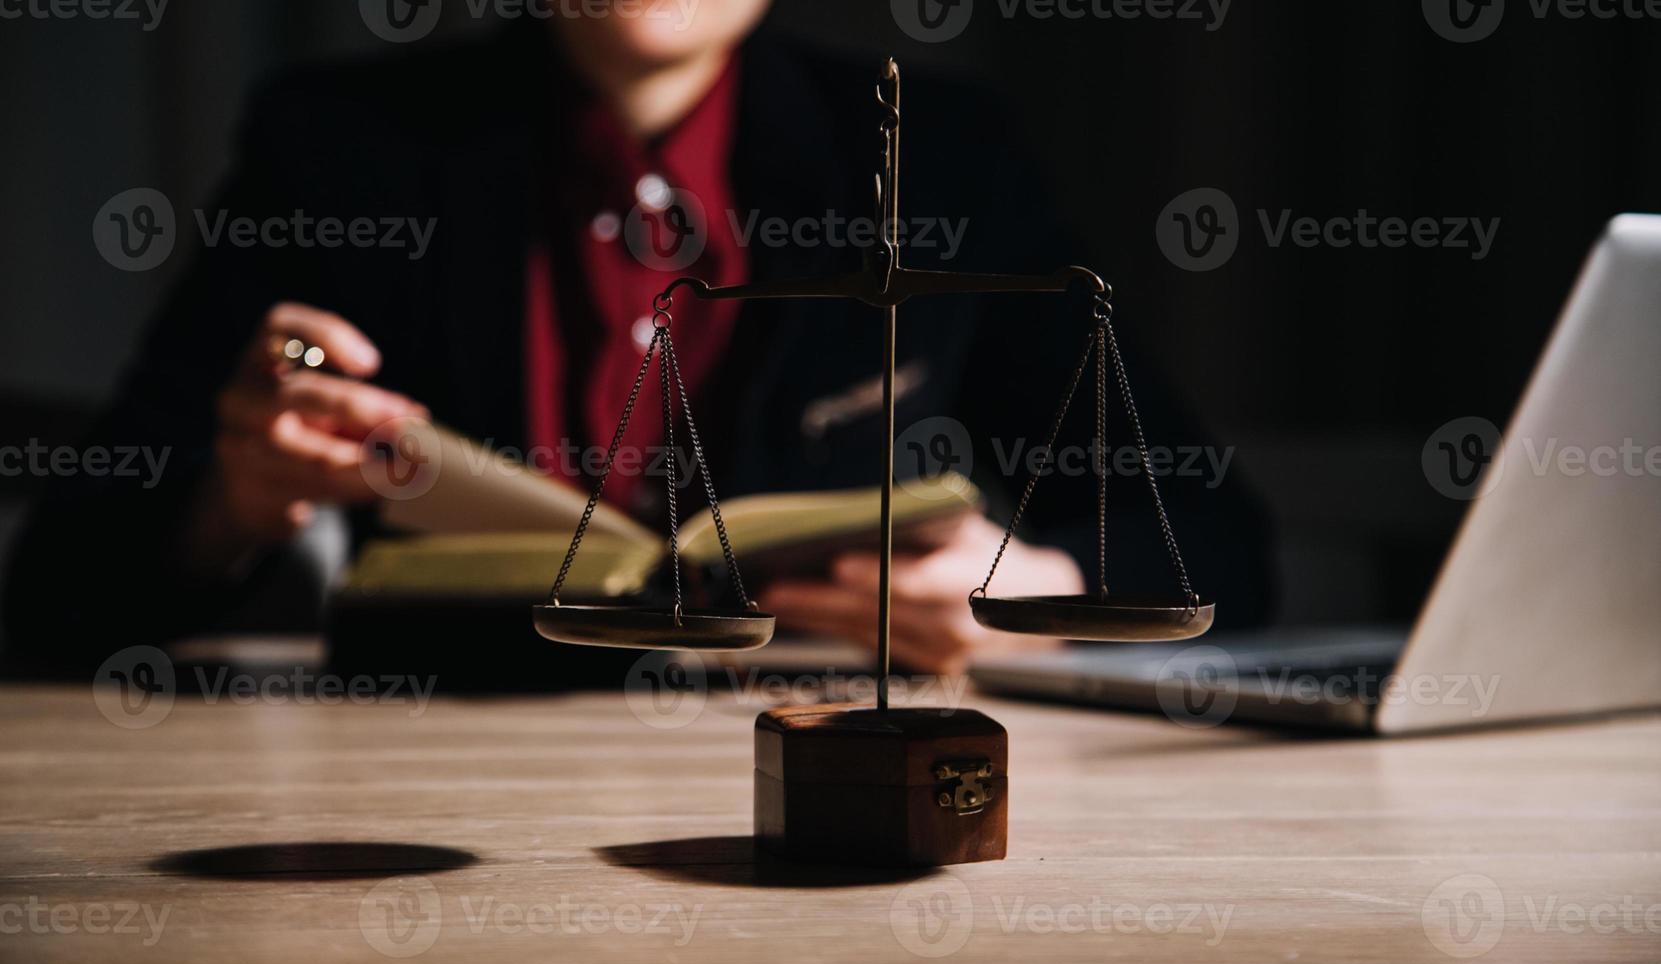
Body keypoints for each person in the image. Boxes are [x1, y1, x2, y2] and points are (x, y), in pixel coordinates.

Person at [1, 1, 1272, 677]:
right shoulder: (343, 141)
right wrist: (232, 493)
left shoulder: (935, 148)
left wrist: (1031, 589)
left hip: (813, 768)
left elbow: (1210, 538)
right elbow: (60, 589)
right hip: (439, 779)